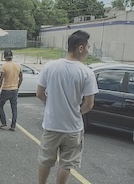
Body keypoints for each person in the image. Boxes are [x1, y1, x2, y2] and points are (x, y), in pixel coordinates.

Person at [36, 30, 98, 184]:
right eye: (88, 47)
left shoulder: (50, 66)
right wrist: (77, 112)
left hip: (51, 125)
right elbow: (89, 104)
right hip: (72, 128)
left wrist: (49, 104)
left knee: (45, 160)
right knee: (66, 164)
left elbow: (39, 93)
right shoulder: (86, 72)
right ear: (80, 48)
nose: (88, 51)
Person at [0, 50, 23, 131]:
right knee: (14, 108)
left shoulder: (4, 66)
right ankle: (13, 125)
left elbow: (1, 79)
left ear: (4, 57)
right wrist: (17, 86)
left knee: (0, 105)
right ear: (12, 56)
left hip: (6, 89)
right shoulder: (18, 66)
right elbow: (21, 78)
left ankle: (4, 122)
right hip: (14, 89)